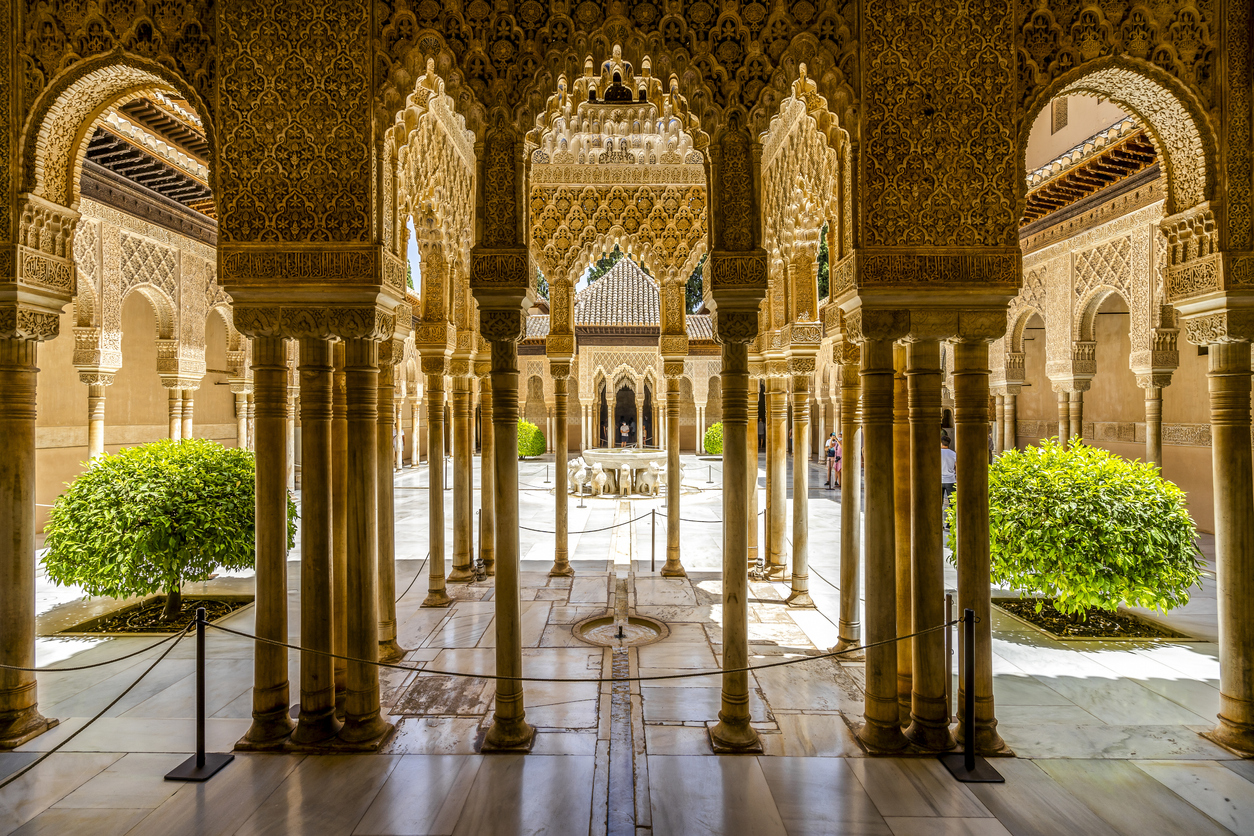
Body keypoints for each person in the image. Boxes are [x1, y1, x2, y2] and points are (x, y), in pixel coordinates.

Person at [941, 434, 957, 529]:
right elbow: (956, 467)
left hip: (939, 480)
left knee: (938, 503)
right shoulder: (953, 454)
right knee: (952, 503)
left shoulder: (937, 452)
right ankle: (949, 524)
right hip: (951, 480)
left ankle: (939, 523)